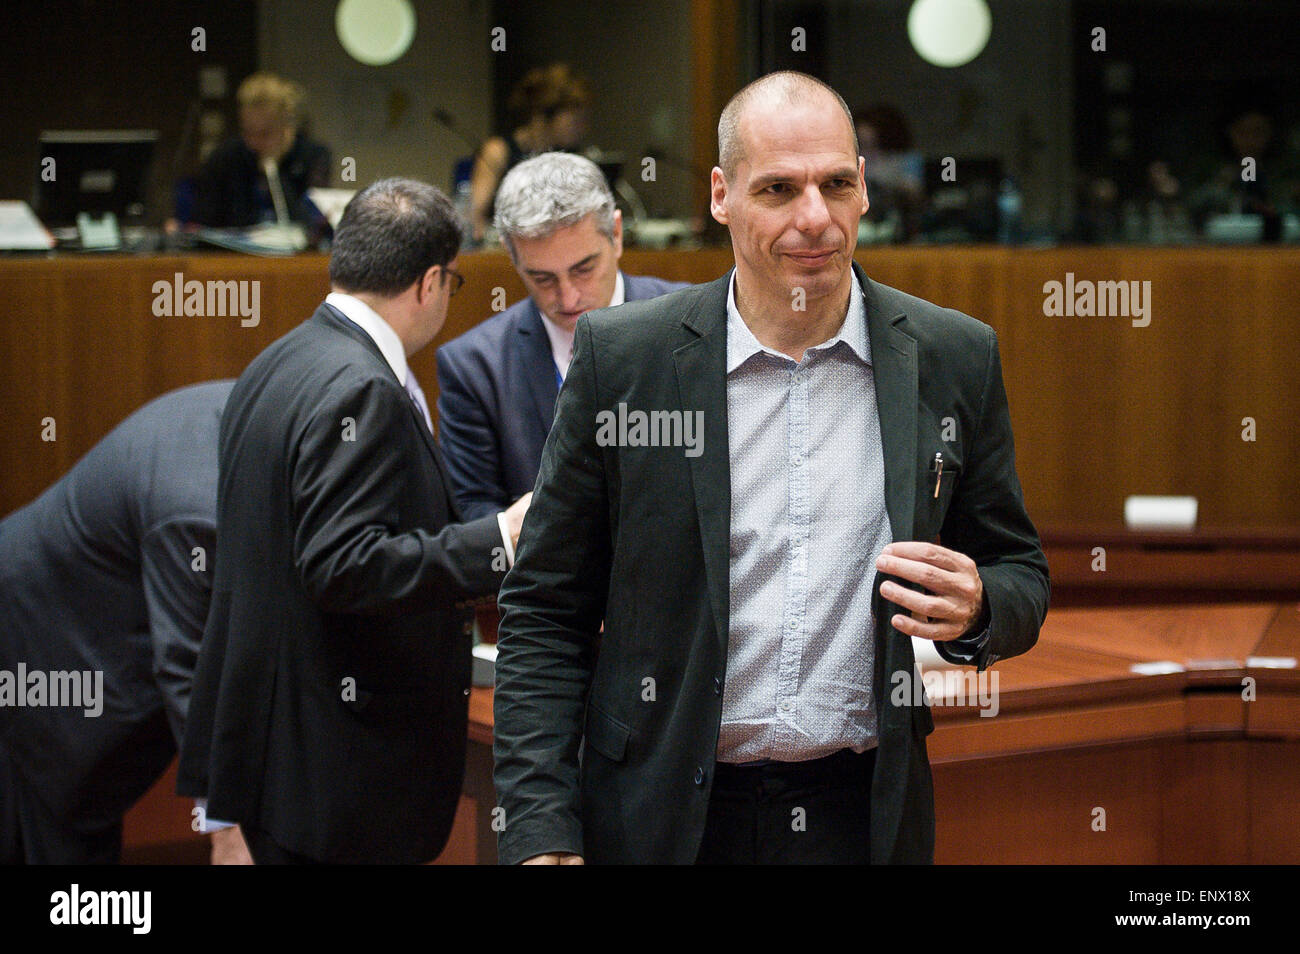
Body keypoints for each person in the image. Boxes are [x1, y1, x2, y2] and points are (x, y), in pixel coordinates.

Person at [492, 72, 1049, 865]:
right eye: (779, 188)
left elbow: (1019, 569)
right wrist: (540, 829)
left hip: (858, 818)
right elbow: (546, 610)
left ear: (864, 189)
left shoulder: (952, 355)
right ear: (721, 195)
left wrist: (982, 606)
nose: (813, 218)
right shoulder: (626, 360)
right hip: (659, 814)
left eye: (836, 184)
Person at [177, 179, 530, 864]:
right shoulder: (365, 388)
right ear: (430, 281)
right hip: (345, 773)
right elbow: (342, 565)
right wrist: (501, 541)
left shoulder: (278, 360)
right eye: (454, 282)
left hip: (280, 761)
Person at [0, 381, 251, 865]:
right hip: (30, 679)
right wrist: (229, 828)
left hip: (95, 708)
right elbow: (194, 671)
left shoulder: (269, 414)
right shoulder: (197, 500)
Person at [436, 152, 688, 520]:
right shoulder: (475, 366)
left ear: (616, 235)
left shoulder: (691, 323)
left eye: (584, 269)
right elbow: (475, 515)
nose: (568, 297)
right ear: (511, 254)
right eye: (543, 278)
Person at [467, 63, 590, 242]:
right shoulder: (498, 151)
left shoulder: (570, 157)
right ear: (546, 114)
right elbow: (474, 217)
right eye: (577, 119)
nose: (583, 128)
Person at [192, 71, 331, 228]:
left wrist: (274, 172)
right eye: (248, 132)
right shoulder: (225, 156)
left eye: (265, 133)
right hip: (234, 250)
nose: (254, 142)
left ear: (287, 126)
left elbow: (308, 223)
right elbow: (207, 220)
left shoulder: (314, 156)